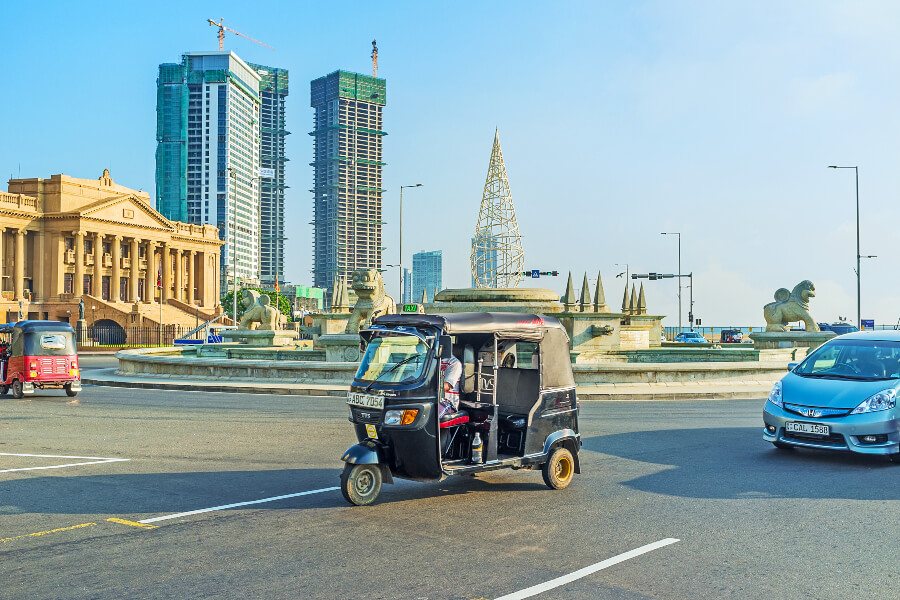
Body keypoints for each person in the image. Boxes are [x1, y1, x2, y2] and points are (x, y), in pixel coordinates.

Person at [439, 352, 463, 417]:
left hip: (447, 402)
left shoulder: (454, 363)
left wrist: (425, 388)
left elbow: (447, 386)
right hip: (432, 399)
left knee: (433, 415)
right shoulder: (431, 360)